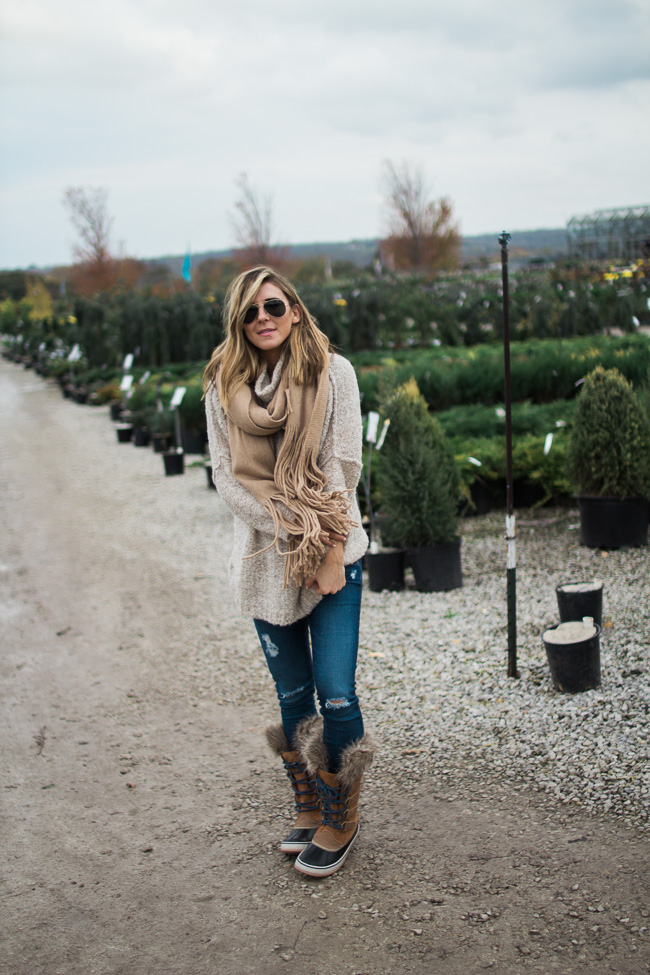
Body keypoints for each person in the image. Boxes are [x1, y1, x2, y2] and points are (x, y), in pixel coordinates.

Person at [203, 266, 375, 878]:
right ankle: (309, 804)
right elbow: (226, 475)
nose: (262, 319)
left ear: (294, 309)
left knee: (335, 691)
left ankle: (341, 815)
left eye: (272, 306)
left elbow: (342, 464)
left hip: (331, 550)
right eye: (249, 313)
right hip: (265, 559)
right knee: (292, 695)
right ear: (239, 323)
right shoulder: (222, 386)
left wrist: (320, 543)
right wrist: (287, 528)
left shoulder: (336, 373)